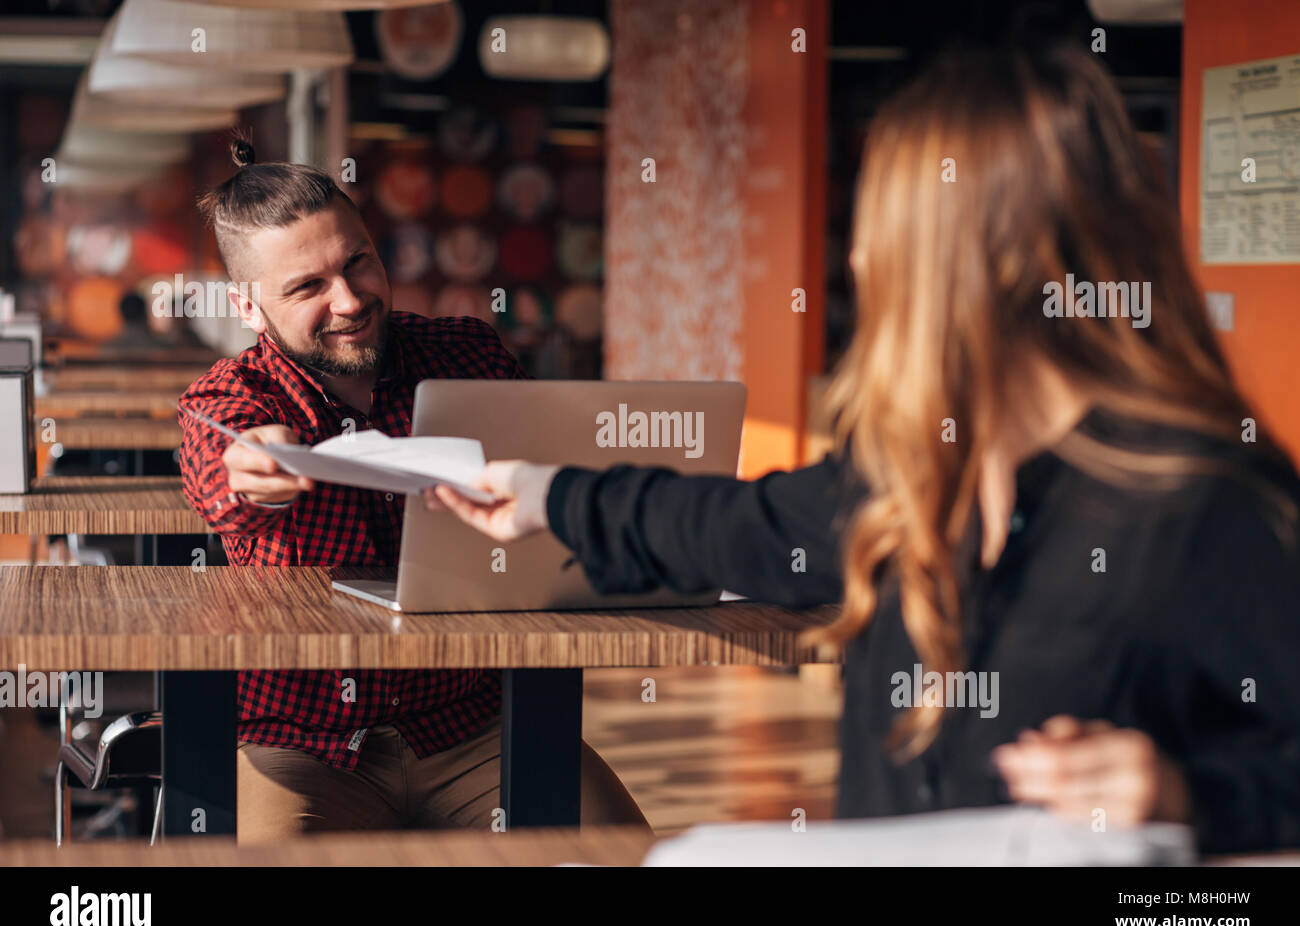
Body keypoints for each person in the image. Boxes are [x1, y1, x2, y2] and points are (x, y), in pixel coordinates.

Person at [428, 46, 1300, 855]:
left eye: (881, 220)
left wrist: (1188, 792)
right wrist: (546, 495)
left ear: (959, 256)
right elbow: (725, 524)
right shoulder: (911, 475)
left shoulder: (1204, 499)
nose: (860, 252)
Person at [178, 136, 645, 841]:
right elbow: (226, 467)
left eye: (357, 261)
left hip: (471, 724)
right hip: (301, 743)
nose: (350, 299)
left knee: (626, 858)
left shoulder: (468, 354)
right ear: (248, 307)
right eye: (307, 287)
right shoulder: (228, 397)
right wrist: (259, 473)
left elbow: (553, 483)